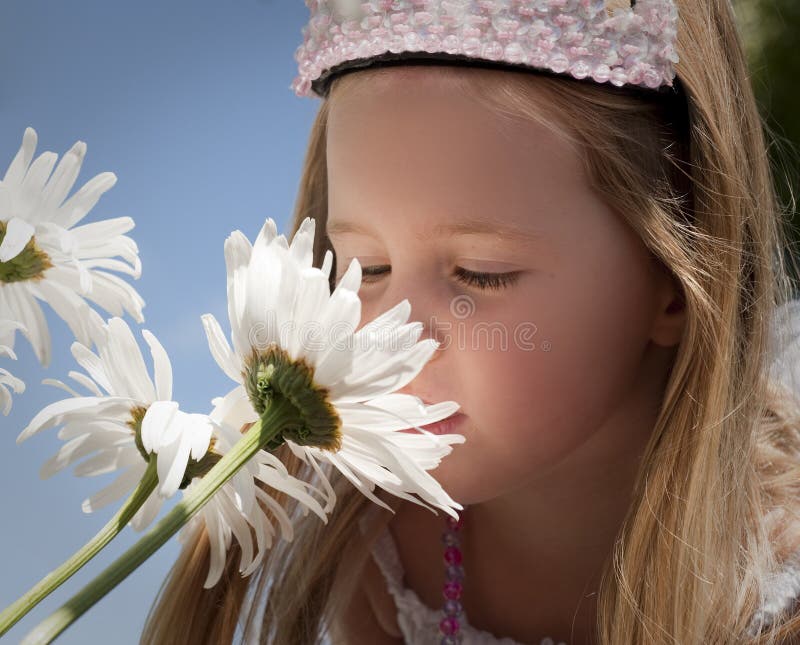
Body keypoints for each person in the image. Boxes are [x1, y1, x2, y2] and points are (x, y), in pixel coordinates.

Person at [141, 1, 800, 643]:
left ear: (674, 277)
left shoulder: (778, 570)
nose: (390, 339)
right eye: (366, 268)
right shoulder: (366, 546)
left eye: (480, 274)